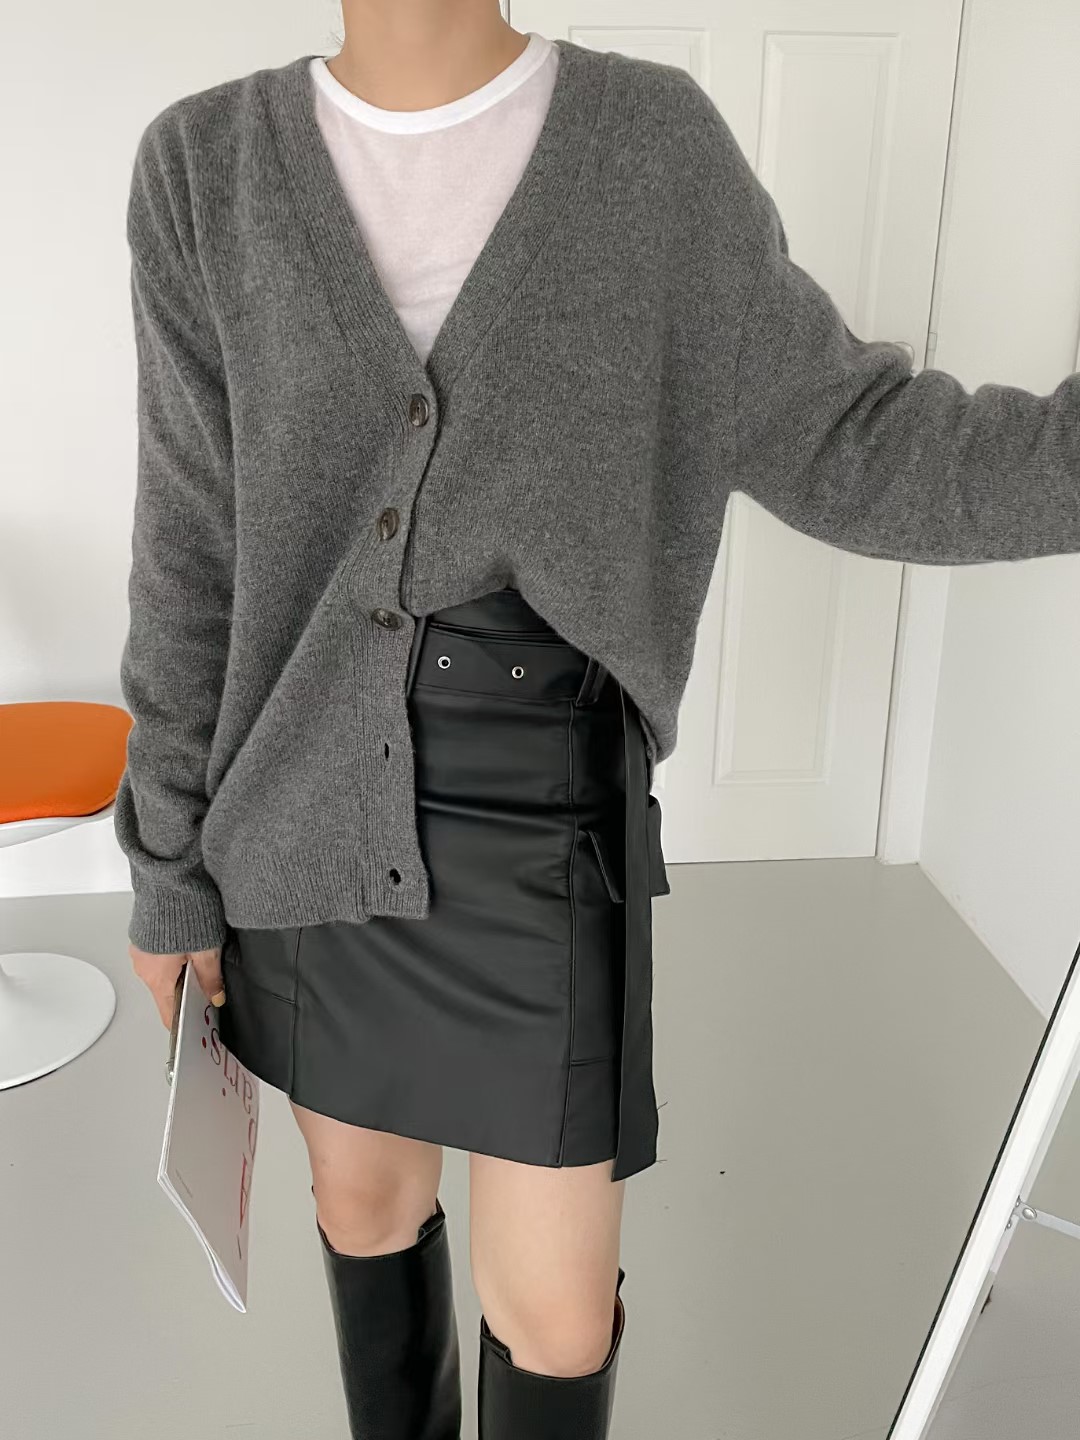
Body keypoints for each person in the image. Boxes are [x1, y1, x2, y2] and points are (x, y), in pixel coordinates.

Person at [116, 4, 1079, 1437]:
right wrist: (169, 870)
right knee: (364, 1207)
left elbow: (852, 437)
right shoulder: (204, 166)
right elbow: (192, 547)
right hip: (301, 797)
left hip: (542, 810)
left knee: (558, 1314)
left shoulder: (650, 148)